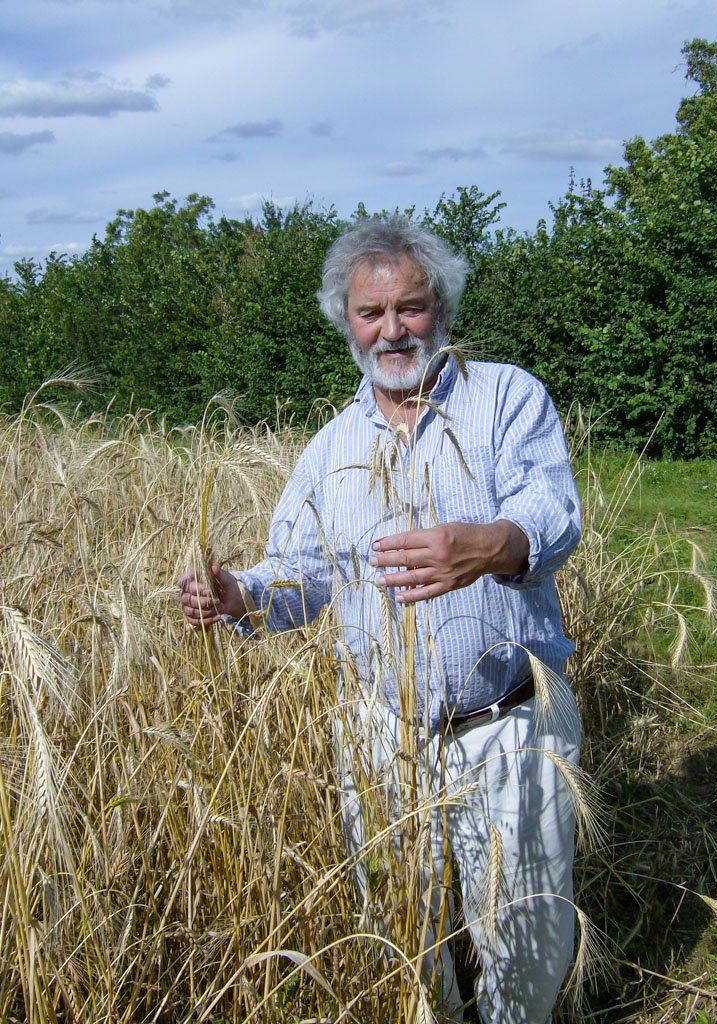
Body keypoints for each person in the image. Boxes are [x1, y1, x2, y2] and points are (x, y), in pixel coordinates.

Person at [177, 216, 583, 1024]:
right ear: (346, 321)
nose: (393, 329)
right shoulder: (329, 449)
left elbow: (552, 512)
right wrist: (241, 596)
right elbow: (302, 575)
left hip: (507, 722)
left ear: (442, 307)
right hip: (380, 734)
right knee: (404, 929)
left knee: (528, 937)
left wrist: (494, 543)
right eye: (372, 313)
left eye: (412, 307)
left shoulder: (506, 397)